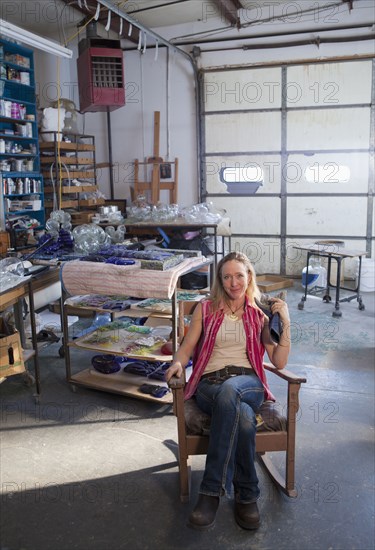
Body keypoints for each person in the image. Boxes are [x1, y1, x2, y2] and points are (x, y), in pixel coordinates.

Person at [165, 251, 291, 530]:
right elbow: (187, 347)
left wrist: (285, 320)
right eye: (227, 277)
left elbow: (279, 361)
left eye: (239, 276)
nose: (233, 282)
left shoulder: (260, 313)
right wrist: (177, 363)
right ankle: (247, 495)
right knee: (243, 418)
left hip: (250, 384)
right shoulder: (205, 308)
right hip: (210, 385)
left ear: (249, 278)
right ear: (220, 281)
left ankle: (210, 492)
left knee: (232, 391)